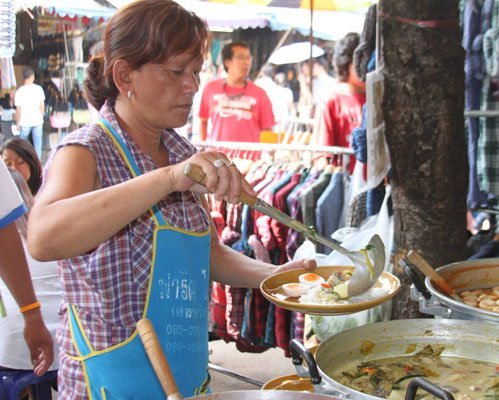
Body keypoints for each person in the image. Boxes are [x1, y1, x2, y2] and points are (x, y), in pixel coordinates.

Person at [26, 1, 314, 398]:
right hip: (110, 384)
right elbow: (42, 238)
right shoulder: (87, 151)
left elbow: (207, 254)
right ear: (125, 74)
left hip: (185, 377)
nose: (193, 86)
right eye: (177, 71)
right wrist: (168, 179)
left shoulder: (181, 151)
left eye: (196, 72)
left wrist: (278, 276)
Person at [0, 169, 60, 371]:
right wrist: (31, 315)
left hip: (20, 350)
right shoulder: (47, 232)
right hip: (61, 342)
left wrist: (31, 315)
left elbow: (3, 228)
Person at [198, 41, 275, 142]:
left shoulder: (260, 94)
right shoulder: (210, 89)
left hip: (249, 157)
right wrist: (203, 149)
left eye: (248, 58)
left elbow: (267, 130)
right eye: (241, 57)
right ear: (227, 62)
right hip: (217, 156)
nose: (247, 62)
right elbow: (203, 121)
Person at [313, 32, 366, 150]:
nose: (366, 67)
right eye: (360, 62)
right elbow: (322, 155)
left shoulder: (376, 97)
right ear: (346, 63)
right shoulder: (330, 101)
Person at [14, 67, 46, 159]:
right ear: (32, 77)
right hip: (37, 121)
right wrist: (41, 117)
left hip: (24, 122)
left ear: (23, 78)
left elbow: (18, 111)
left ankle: (23, 161)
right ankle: (38, 165)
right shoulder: (39, 89)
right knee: (37, 145)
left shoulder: (19, 91)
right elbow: (42, 107)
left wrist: (17, 123)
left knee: (22, 146)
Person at [255, 63, 295, 133]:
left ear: (262, 72)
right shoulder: (274, 86)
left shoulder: (257, 83)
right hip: (275, 117)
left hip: (260, 115)